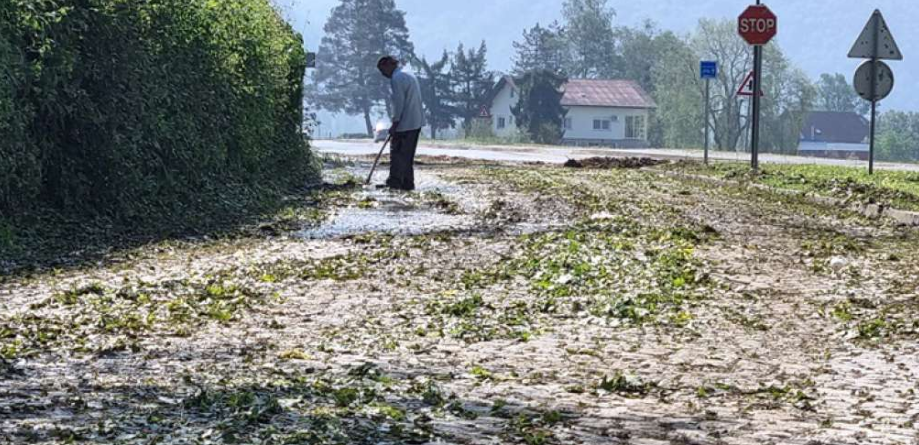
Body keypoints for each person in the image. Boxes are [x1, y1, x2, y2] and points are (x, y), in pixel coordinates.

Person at [376, 56, 424, 191]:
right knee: (407, 155)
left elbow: (399, 103)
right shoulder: (407, 73)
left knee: (397, 153)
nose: (383, 74)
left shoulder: (396, 79)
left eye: (382, 70)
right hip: (416, 121)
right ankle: (407, 183)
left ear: (388, 65)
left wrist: (395, 123)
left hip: (405, 123)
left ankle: (395, 182)